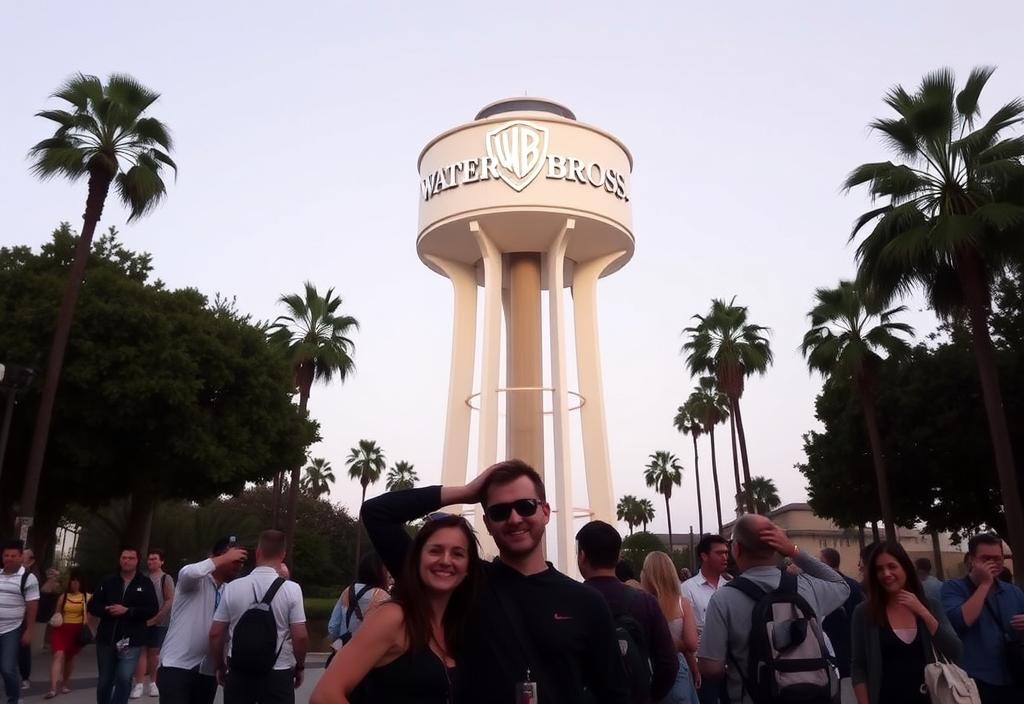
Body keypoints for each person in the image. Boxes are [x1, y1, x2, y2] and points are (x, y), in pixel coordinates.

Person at [361, 459, 630, 704]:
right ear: (488, 523)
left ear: (545, 512)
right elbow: (377, 514)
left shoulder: (585, 603)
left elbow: (614, 694)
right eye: (500, 512)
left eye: (525, 506)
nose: (514, 519)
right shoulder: (462, 584)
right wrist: (466, 492)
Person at [312, 513, 483, 704]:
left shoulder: (459, 626)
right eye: (435, 551)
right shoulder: (394, 617)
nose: (445, 560)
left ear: (468, 567)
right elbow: (324, 696)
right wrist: (467, 492)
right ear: (417, 559)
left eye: (457, 553)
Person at [697, 514, 851, 704]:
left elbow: (711, 668)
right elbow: (841, 585)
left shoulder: (723, 599)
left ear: (736, 549)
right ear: (777, 548)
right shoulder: (807, 588)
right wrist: (793, 550)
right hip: (811, 695)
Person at [576, 520, 678, 703]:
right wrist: (650, 696)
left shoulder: (569, 601)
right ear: (618, 556)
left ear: (582, 555)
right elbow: (668, 663)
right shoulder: (645, 602)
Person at [851, 541, 962, 704]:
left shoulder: (930, 606)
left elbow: (956, 651)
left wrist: (924, 612)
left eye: (892, 566)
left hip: (930, 697)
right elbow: (858, 665)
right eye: (880, 569)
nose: (886, 574)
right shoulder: (864, 612)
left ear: (905, 568)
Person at [209, 530, 307, 704]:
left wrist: (220, 666)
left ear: (258, 552)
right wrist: (299, 666)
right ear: (283, 555)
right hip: (278, 671)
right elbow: (300, 636)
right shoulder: (292, 589)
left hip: (239, 670)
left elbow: (216, 633)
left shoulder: (232, 588)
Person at [157, 538, 247, 704]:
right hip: (177, 667)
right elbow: (189, 572)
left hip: (207, 671)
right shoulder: (193, 582)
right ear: (213, 557)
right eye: (232, 559)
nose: (237, 565)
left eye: (241, 561)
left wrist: (220, 664)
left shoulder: (229, 592)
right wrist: (224, 558)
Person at [941, 532, 1024, 704]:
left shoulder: (1013, 592)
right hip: (975, 680)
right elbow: (961, 621)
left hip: (1014, 676)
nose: (993, 563)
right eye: (985, 558)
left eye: (998, 558)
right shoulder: (953, 588)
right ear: (971, 560)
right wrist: (985, 584)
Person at [88, 547, 159, 704]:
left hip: (131, 640)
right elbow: (92, 606)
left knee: (124, 677)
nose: (126, 561)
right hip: (107, 638)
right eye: (124, 557)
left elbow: (152, 609)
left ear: (137, 561)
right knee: (105, 681)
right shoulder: (108, 581)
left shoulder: (144, 583)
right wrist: (106, 609)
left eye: (131, 558)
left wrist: (128, 611)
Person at [640, 551, 700, 704]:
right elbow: (692, 644)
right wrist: (694, 668)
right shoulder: (682, 603)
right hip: (677, 667)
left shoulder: (641, 604)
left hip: (647, 668)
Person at [681, 534, 730, 704]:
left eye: (726, 552)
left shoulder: (732, 586)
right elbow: (686, 632)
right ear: (704, 556)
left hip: (733, 667)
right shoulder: (687, 589)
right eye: (719, 553)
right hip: (703, 668)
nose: (725, 557)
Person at [820, 547, 864, 703]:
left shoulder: (822, 586)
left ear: (825, 563)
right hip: (852, 645)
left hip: (831, 647)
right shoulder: (854, 585)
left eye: (820, 561)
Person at [131, 549, 174, 699]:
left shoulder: (166, 579)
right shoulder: (143, 579)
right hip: (143, 621)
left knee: (154, 653)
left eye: (154, 559)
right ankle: (139, 684)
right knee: (141, 651)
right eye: (149, 559)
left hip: (160, 622)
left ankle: (153, 683)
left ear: (162, 561)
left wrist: (157, 618)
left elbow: (169, 600)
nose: (151, 562)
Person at [326, 553, 389, 654]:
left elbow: (333, 627)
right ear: (380, 572)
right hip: (371, 657)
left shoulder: (347, 591)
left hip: (344, 654)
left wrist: (341, 641)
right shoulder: (383, 596)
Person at [1, 541, 39, 704]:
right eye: (6, 555)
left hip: (12, 629)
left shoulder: (28, 578)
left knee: (7, 668)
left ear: (20, 557)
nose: (9, 559)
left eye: (13, 556)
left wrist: (29, 630)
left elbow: (32, 606)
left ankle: (14, 698)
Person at [45, 570, 90, 699]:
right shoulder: (63, 596)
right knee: (58, 655)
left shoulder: (86, 597)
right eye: (72, 581)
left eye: (77, 581)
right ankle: (53, 688)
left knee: (70, 658)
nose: (74, 584)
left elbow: (92, 614)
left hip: (76, 630)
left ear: (81, 583)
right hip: (61, 629)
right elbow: (57, 613)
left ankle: (65, 684)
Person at [17, 549, 37, 692]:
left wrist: (29, 629)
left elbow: (32, 603)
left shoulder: (30, 577)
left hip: (22, 620)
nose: (21, 558)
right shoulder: (8, 573)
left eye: (24, 557)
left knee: (23, 649)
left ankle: (25, 677)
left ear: (31, 561)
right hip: (7, 619)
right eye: (21, 555)